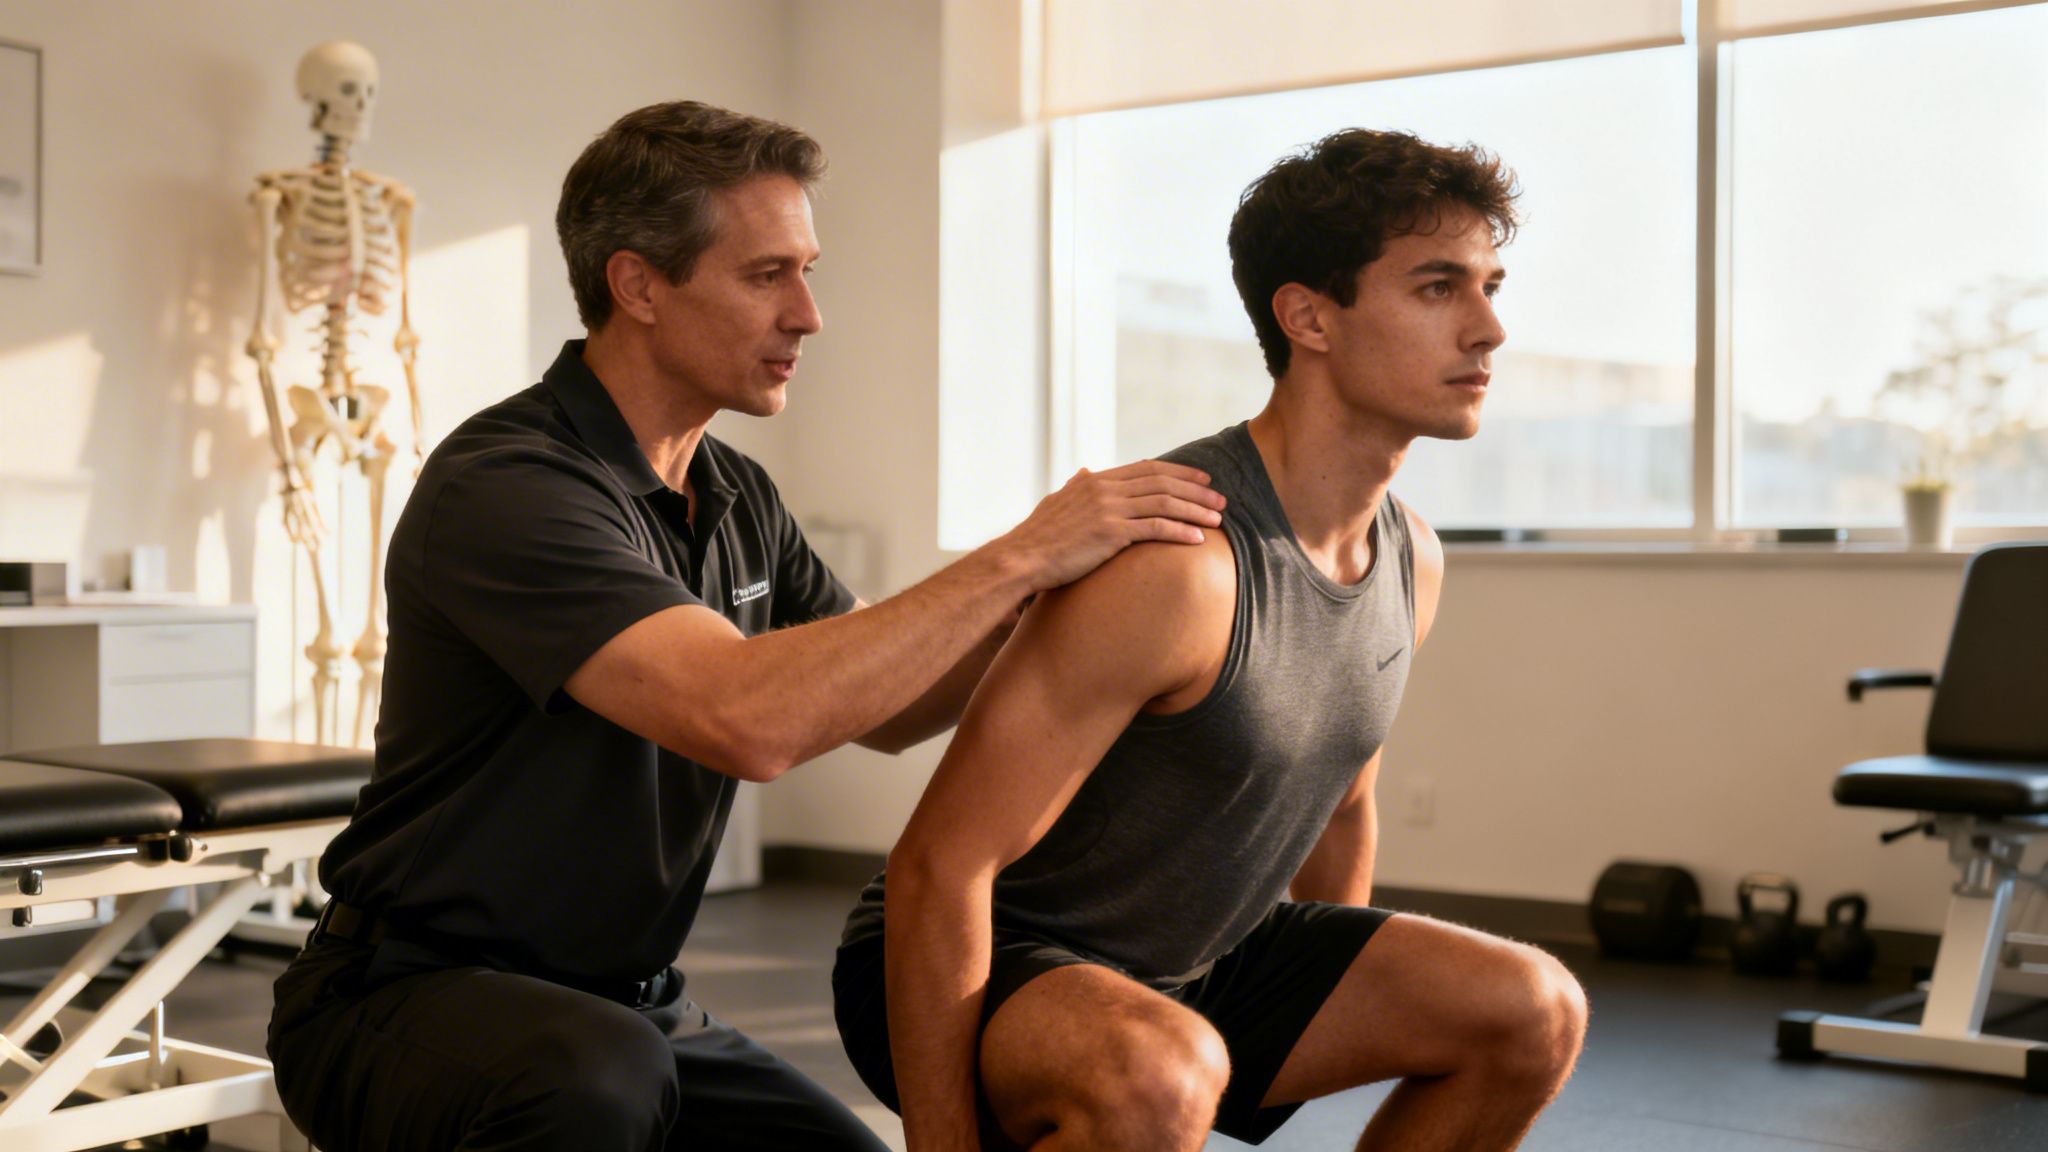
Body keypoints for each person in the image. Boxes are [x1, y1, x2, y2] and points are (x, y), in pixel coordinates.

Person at [265, 100, 1226, 1152]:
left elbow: (898, 707)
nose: (808, 314)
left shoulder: (735, 494)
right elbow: (745, 720)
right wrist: (1019, 554)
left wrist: (1080, 587)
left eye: (806, 271)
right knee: (593, 1081)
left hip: (636, 1006)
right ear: (637, 284)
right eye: (767, 274)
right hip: (405, 996)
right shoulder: (510, 482)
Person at [834, 128, 1589, 1152]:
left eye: (1490, 285)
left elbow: (1341, 806)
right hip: (991, 964)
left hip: (1203, 960)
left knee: (1532, 1007)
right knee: (1158, 1072)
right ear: (1308, 318)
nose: (1489, 327)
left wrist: (1321, 997)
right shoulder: (1177, 563)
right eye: (1436, 288)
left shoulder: (1409, 556)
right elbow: (939, 869)